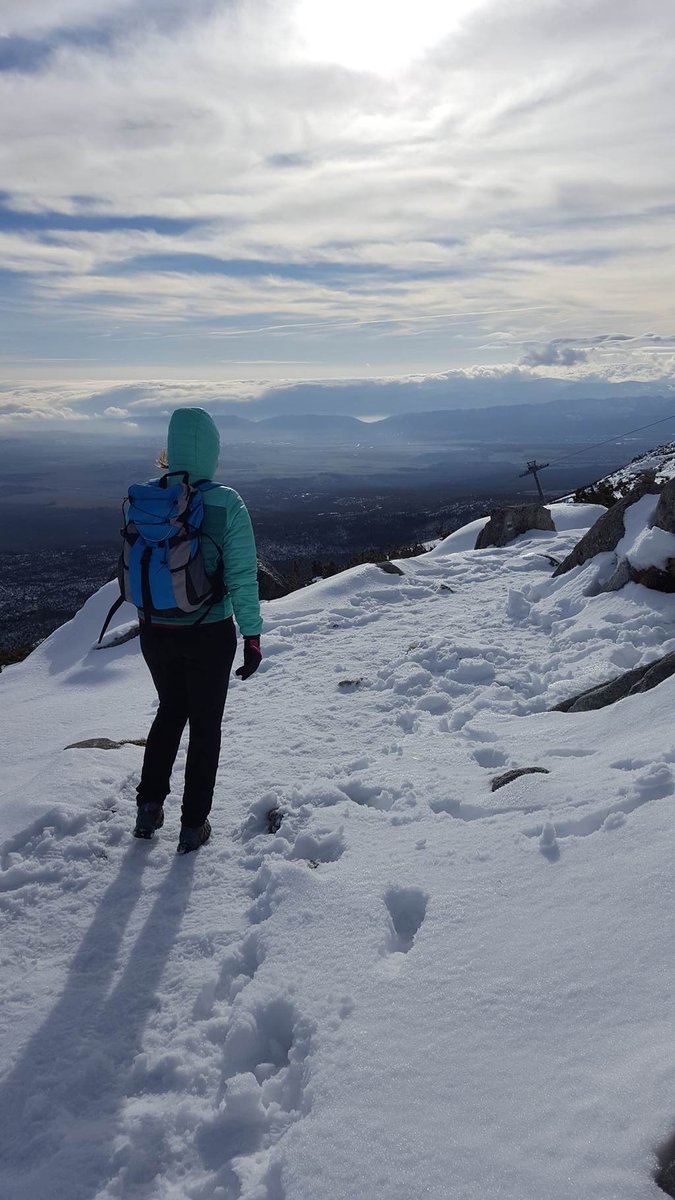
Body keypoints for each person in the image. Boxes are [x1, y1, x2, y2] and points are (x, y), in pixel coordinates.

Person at [133, 406, 262, 854]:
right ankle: (193, 826)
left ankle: (147, 809)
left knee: (170, 711)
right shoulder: (226, 502)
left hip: (154, 630)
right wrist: (252, 636)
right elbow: (244, 577)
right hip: (208, 632)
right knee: (205, 726)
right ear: (211, 449)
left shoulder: (146, 498)